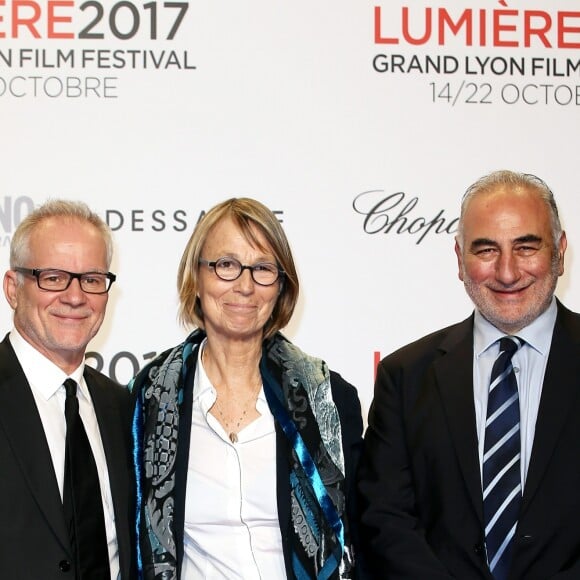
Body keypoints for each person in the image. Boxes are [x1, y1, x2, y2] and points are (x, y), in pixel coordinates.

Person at [358, 169, 580, 579]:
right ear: (460, 260)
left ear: (560, 252)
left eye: (526, 247)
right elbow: (384, 519)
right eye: (486, 250)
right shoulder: (405, 376)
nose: (508, 272)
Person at [129, 197, 364, 579]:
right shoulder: (147, 400)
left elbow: (364, 537)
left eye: (263, 268)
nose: (245, 285)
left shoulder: (329, 400)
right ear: (197, 278)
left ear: (281, 286)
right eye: (226, 265)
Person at [0, 200, 135, 579]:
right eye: (53, 277)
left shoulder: (122, 408)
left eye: (92, 279)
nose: (75, 297)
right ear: (13, 288)